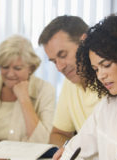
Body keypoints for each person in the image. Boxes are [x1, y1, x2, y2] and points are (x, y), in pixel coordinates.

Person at [60, 12, 117, 160]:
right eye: (96, 69)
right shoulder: (107, 108)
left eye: (106, 65)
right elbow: (71, 151)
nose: (100, 76)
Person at [38, 16, 102, 149]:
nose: (59, 67)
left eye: (63, 55)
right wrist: (74, 150)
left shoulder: (110, 81)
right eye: (54, 61)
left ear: (84, 41)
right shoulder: (70, 81)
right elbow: (57, 134)